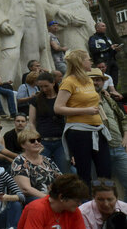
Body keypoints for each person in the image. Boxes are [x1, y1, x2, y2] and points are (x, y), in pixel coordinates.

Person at [55, 49, 111, 187]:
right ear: (80, 62)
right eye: (88, 59)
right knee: (84, 173)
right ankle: (86, 204)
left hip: (98, 128)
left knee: (105, 172)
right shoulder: (68, 82)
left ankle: (106, 203)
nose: (91, 62)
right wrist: (85, 110)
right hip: (79, 130)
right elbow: (58, 108)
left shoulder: (88, 80)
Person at [90, 67, 127, 195]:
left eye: (98, 80)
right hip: (97, 150)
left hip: (119, 146)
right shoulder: (82, 102)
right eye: (92, 80)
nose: (96, 82)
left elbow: (123, 118)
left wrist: (125, 137)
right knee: (99, 187)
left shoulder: (108, 99)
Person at [29, 70, 69, 172]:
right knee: (42, 172)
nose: (43, 89)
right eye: (41, 87)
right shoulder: (36, 100)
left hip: (61, 141)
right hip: (43, 141)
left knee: (63, 171)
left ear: (53, 83)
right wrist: (36, 138)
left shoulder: (62, 98)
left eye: (46, 86)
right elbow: (31, 122)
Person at [10, 128, 61, 204]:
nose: (37, 142)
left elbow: (61, 179)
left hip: (53, 196)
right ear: (23, 145)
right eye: (32, 141)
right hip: (32, 198)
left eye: (39, 140)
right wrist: (48, 198)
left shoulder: (47, 160)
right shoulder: (19, 162)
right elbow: (26, 189)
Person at [19, 174, 88, 228]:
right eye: (76, 201)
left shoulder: (74, 211)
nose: (79, 204)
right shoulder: (37, 209)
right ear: (61, 197)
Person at [89, 22, 122, 86]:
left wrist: (115, 50)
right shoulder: (93, 38)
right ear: (97, 28)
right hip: (102, 62)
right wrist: (109, 48)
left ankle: (114, 93)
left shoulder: (107, 38)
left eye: (105, 26)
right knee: (105, 81)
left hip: (112, 61)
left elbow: (110, 51)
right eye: (103, 26)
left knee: (115, 81)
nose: (105, 27)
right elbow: (93, 51)